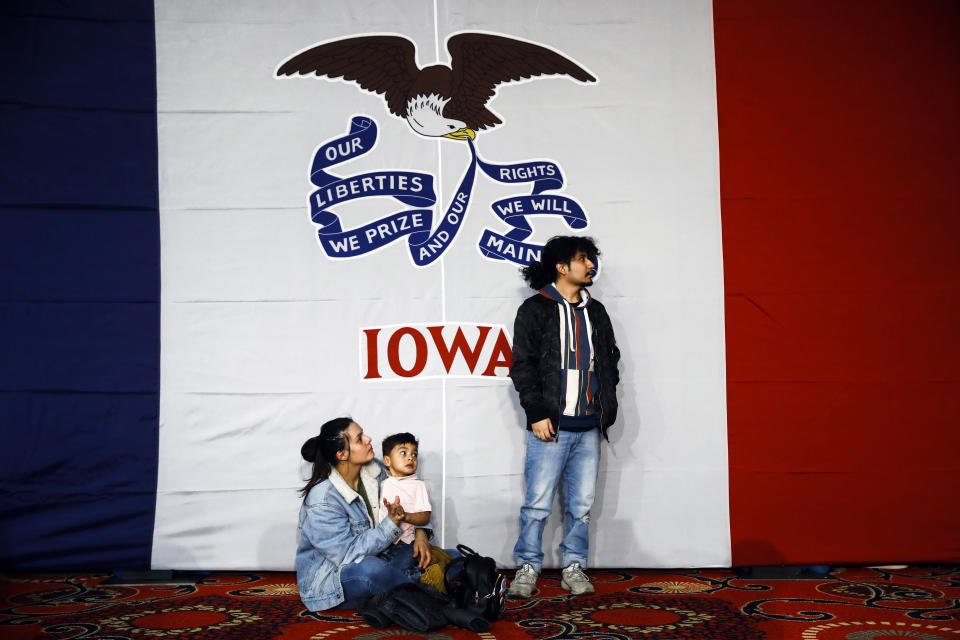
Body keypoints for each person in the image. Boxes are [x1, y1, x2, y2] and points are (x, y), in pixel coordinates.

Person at [506, 235, 621, 598]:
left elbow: (609, 359)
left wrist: (605, 403)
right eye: (583, 259)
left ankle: (575, 565)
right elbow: (522, 366)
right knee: (537, 504)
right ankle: (527, 567)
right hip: (550, 427)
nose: (591, 265)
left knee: (582, 506)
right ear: (561, 266)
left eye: (590, 259)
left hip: (588, 427)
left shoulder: (596, 311)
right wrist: (537, 413)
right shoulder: (535, 309)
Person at [296, 417, 432, 611]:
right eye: (360, 439)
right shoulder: (322, 500)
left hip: (384, 556)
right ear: (342, 454)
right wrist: (390, 523)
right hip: (336, 577)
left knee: (446, 555)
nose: (369, 439)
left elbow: (413, 497)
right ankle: (428, 594)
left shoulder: (376, 471)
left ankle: (401, 594)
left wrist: (421, 534)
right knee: (372, 570)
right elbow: (348, 554)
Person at [376, 433, 434, 581]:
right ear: (387, 460)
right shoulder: (382, 484)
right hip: (383, 542)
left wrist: (405, 516)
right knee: (378, 570)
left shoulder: (419, 486)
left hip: (406, 543)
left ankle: (426, 577)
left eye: (414, 454)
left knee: (396, 572)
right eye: (403, 452)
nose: (410, 457)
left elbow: (425, 516)